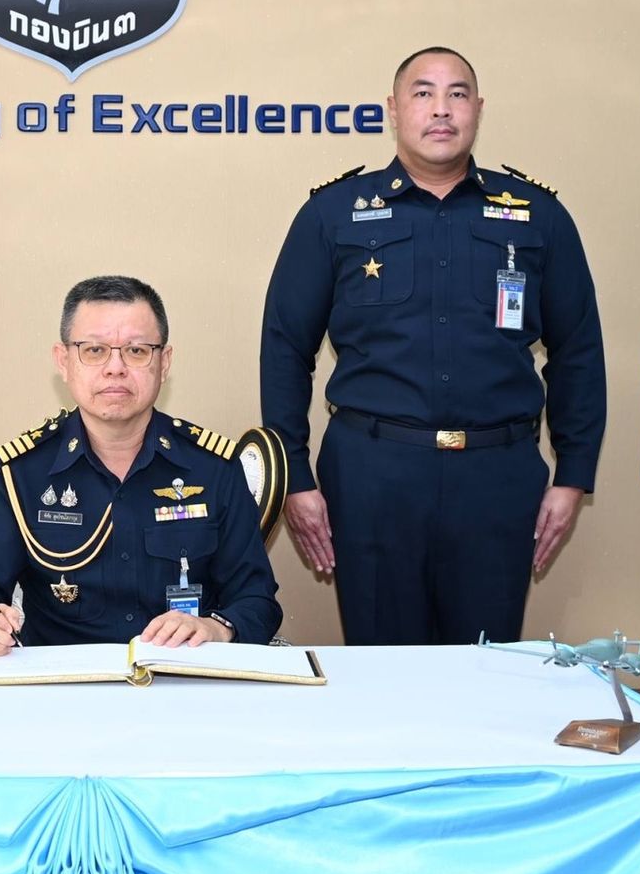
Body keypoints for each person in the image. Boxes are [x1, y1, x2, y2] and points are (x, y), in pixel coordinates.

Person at [259, 46, 606, 645]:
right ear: (393, 110)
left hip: (497, 478)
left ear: (478, 110)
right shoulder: (332, 214)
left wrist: (573, 475)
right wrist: (294, 476)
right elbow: (285, 348)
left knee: (485, 663)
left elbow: (578, 352)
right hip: (372, 476)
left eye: (457, 94)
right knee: (385, 664)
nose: (441, 109)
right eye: (423, 93)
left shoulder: (538, 216)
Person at [0, 276, 283, 655]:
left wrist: (216, 628)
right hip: (59, 683)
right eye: (94, 350)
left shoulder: (213, 468)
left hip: (182, 678)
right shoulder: (17, 473)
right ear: (64, 361)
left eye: (136, 351)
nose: (115, 367)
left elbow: (256, 599)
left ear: (164, 363)